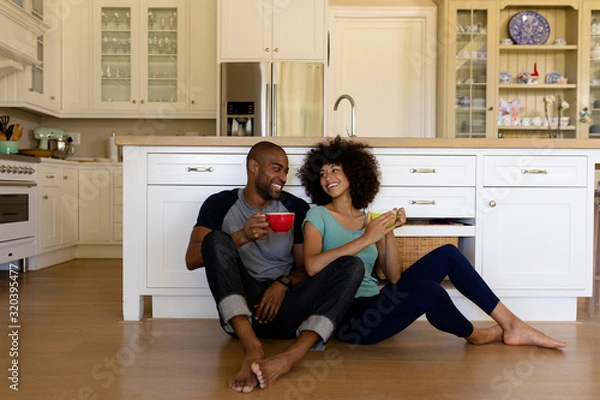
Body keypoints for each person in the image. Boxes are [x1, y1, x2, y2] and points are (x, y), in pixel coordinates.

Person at [297, 136, 567, 349]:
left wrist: (387, 231)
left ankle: (512, 324)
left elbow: (394, 277)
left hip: (376, 302)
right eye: (321, 173)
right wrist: (368, 237)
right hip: (349, 320)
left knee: (448, 253)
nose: (327, 178)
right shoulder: (318, 215)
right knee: (430, 291)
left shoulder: (369, 219)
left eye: (334, 169)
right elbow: (311, 266)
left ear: (353, 173)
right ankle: (475, 336)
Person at [185, 141, 363, 393]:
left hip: (288, 306)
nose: (282, 177)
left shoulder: (296, 208)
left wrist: (283, 283)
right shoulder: (220, 204)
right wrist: (241, 237)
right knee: (215, 239)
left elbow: (305, 268)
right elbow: (192, 258)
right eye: (277, 169)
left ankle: (291, 356)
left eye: (286, 171)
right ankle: (252, 348)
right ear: (253, 166)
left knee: (352, 266)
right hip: (243, 309)